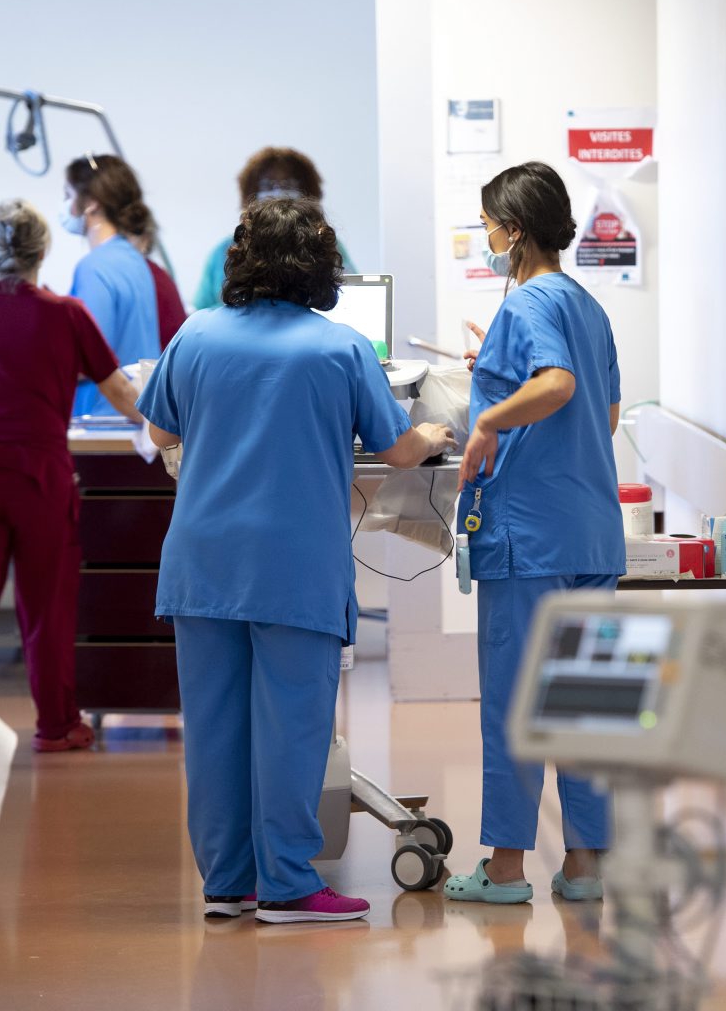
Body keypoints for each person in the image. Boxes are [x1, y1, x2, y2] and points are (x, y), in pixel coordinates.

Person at [138, 196, 455, 924]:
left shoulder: (195, 335)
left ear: (241, 258)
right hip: (291, 563)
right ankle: (287, 884)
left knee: (215, 726)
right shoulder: (337, 347)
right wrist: (433, 428)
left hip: (202, 561)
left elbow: (159, 428)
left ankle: (228, 883)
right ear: (321, 264)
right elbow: (397, 449)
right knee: (293, 724)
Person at [445, 161, 625, 905]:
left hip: (529, 538)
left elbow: (555, 386)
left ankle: (507, 868)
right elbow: (602, 416)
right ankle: (585, 866)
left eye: (488, 224)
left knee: (517, 702)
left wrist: (488, 418)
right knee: (582, 703)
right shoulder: (584, 304)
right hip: (587, 530)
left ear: (513, 230)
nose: (485, 237)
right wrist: (493, 370)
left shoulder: (526, 305)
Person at [0, 200, 144, 753]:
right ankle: (56, 726)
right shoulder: (69, 314)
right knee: (47, 608)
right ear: (44, 250)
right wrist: (175, 421)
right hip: (38, 480)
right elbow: (122, 394)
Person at [192, 147, 355, 311]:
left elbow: (352, 296)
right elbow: (201, 309)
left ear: (309, 192)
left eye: (289, 183)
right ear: (250, 193)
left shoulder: (326, 244)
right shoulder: (224, 252)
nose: (278, 192)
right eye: (268, 184)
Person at [59, 154, 159, 416]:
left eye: (68, 195)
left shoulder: (94, 268)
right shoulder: (135, 261)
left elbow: (85, 362)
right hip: (136, 417)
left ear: (91, 203)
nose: (65, 205)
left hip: (101, 420)